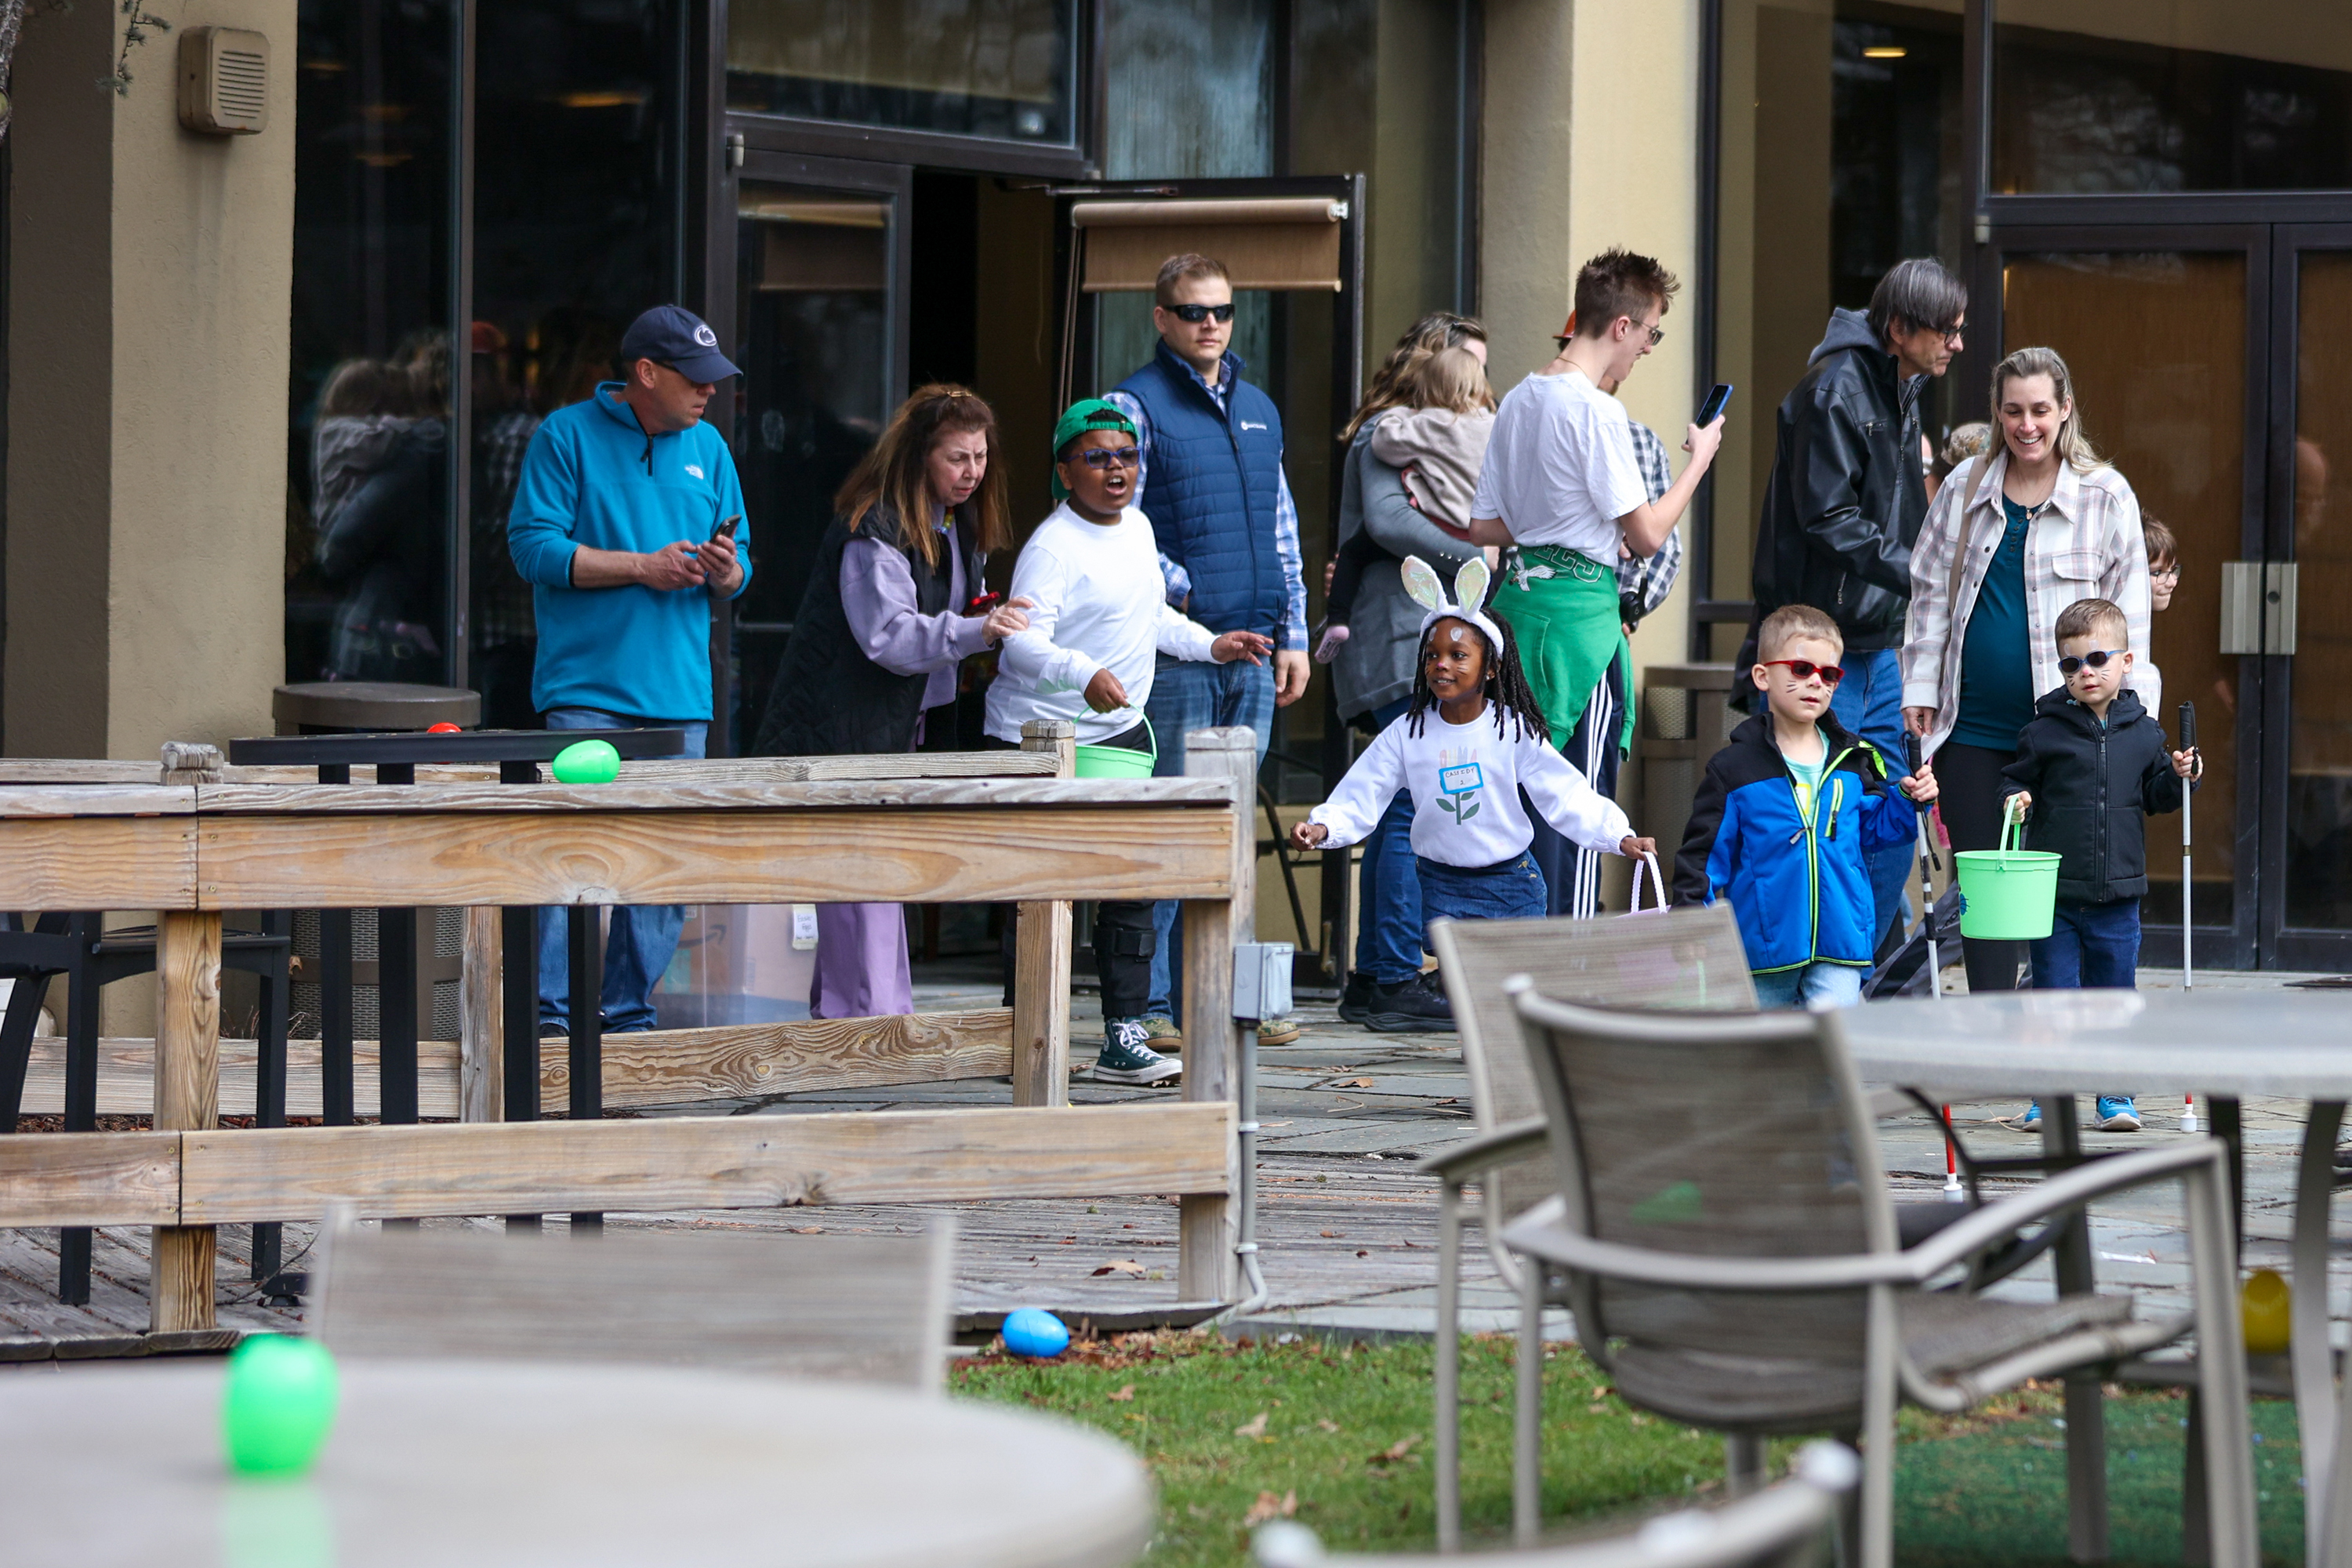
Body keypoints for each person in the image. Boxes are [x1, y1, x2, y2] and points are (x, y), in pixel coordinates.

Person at [984, 399, 1273, 1083]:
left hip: (1116, 732)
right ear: (1064, 472)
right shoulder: (1052, 548)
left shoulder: (1139, 528)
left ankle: (1123, 1036)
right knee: (1037, 894)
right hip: (1036, 739)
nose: (1117, 468)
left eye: (1127, 455)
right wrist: (1083, 674)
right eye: (1097, 457)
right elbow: (1019, 640)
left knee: (1132, 886)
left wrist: (1211, 645)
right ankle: (1017, 1038)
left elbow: (1152, 618)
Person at [508, 303, 750, 1034]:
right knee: (569, 858)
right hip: (585, 693)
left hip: (681, 697)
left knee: (662, 867)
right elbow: (533, 549)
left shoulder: (709, 446)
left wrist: (724, 571)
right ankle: (549, 1023)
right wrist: (644, 567)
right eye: (695, 378)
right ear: (646, 374)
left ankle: (626, 1019)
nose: (710, 392)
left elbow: (743, 568)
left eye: (714, 379)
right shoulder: (564, 437)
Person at [757, 385, 1030, 1019]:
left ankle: (861, 1019)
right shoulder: (872, 525)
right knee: (861, 878)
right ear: (918, 458)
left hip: (901, 723)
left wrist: (981, 619)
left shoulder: (959, 525)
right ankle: (870, 1023)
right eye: (957, 458)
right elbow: (889, 637)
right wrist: (976, 631)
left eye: (981, 457)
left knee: (877, 879)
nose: (972, 473)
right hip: (841, 726)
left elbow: (944, 621)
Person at [1902, 345, 2154, 995]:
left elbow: (2131, 622)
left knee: (2066, 895)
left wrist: (2133, 724)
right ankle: (1997, 1040)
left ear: (2065, 409)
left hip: (2071, 736)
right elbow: (1929, 592)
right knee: (1988, 894)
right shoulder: (1963, 488)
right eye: (2013, 410)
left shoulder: (2106, 496)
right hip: (1975, 731)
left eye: (2041, 409)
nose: (2027, 425)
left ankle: (2062, 1035)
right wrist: (1921, 688)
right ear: (1997, 412)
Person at [1105, 253, 1309, 1051]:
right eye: (1194, 312)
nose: (1212, 325)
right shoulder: (1135, 402)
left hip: (1255, 650)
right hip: (1180, 654)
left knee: (1225, 830)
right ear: (1161, 318)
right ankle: (1151, 1002)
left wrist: (1292, 633)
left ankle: (1220, 995)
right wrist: (1178, 587)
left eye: (1223, 310)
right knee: (1170, 821)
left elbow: (1281, 525)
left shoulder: (1258, 407)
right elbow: (1115, 516)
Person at [1744, 259, 1969, 960]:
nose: (1957, 345)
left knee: (1895, 816)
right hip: (1820, 642)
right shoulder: (1836, 389)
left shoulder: (1900, 384)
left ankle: (1858, 974)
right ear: (1900, 329)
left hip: (1876, 641)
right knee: (1801, 820)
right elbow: (1828, 517)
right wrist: (1921, 575)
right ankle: (1799, 980)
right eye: (1947, 331)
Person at [1290, 556, 1656, 931]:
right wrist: (1323, 827)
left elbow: (1564, 793)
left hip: (1512, 883)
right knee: (1457, 985)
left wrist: (1618, 836)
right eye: (1432, 656)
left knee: (1507, 987)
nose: (1441, 665)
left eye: (1458, 655)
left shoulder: (1512, 730)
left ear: (1492, 667)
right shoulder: (1407, 733)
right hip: (1440, 883)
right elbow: (1364, 790)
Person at [1467, 249, 1723, 757]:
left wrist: (1564, 529)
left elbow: (1482, 528)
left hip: (1515, 614)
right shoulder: (1597, 411)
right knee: (1577, 805)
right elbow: (1649, 538)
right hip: (1581, 626)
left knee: (1513, 792)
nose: (1648, 347)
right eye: (1651, 332)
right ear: (1622, 327)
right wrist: (1700, 461)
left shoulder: (1518, 396)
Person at [1327, 313, 1490, 1032]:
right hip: (1398, 643)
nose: (1480, 387)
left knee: (1399, 803)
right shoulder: (1386, 431)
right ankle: (1395, 976)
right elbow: (1389, 523)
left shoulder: (1428, 431)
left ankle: (1373, 976)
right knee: (1408, 807)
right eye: (1470, 368)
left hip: (1413, 640)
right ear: (1432, 366)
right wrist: (1481, 554)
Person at [1675, 604, 1939, 1010]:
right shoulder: (1734, 769)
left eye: (1829, 674)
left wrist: (1907, 799)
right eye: (1801, 669)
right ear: (1763, 676)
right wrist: (1693, 927)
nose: (1817, 682)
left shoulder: (1852, 760)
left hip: (1840, 943)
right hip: (1764, 949)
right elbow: (1703, 859)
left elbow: (1874, 829)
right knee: (1767, 1055)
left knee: (1835, 1045)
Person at [2002, 597, 2200, 1131]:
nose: (2085, 673)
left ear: (2126, 662)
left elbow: (2157, 796)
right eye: (2072, 664)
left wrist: (2183, 775)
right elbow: (2016, 778)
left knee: (2114, 995)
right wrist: (2015, 797)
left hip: (2118, 893)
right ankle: (2052, 1091)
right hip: (2055, 894)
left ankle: (2115, 1095)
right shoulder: (2043, 730)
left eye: (2097, 660)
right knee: (2053, 993)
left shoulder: (2145, 731)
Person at [1316, 347, 1495, 662]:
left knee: (1354, 552)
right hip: (1478, 530)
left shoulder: (1425, 424)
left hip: (1440, 522)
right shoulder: (1494, 425)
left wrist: (1402, 413)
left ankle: (1337, 619)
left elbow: (1386, 443)